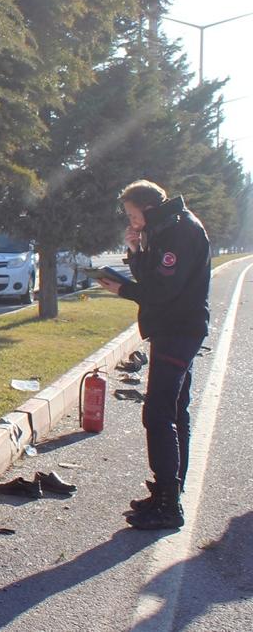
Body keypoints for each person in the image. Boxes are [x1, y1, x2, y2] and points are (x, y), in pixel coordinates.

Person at [98, 180, 210, 531]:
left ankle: (168, 504)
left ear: (147, 208)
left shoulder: (180, 231)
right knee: (175, 409)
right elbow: (154, 276)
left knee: (158, 412)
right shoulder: (165, 227)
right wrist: (135, 252)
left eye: (133, 215)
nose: (130, 221)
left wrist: (124, 289)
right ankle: (168, 491)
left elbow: (161, 289)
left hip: (178, 330)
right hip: (175, 328)